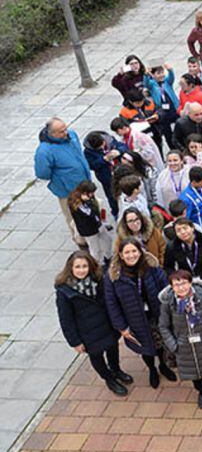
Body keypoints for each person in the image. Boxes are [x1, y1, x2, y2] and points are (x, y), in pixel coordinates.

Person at [55, 251, 131, 396]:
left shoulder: (99, 280)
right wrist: (75, 342)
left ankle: (116, 370)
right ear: (70, 268)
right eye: (77, 267)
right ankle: (109, 379)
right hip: (87, 333)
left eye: (85, 266)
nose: (81, 270)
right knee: (97, 357)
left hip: (107, 325)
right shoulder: (64, 291)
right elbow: (65, 320)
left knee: (113, 349)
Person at [104, 238, 177, 388]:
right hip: (134, 318)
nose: (131, 255)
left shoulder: (152, 268)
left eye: (134, 251)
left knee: (161, 343)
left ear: (140, 252)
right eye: (127, 252)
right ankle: (152, 369)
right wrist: (121, 327)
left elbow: (166, 289)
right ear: (121, 255)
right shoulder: (113, 276)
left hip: (156, 314)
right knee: (145, 346)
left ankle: (163, 365)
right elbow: (111, 303)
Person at [158, 269, 202, 408]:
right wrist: (174, 346)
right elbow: (164, 327)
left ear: (191, 282)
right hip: (184, 348)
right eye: (177, 284)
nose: (181, 287)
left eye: (184, 283)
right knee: (195, 375)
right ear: (171, 287)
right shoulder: (168, 305)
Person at [35, 118, 94, 247]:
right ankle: (82, 242)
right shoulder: (44, 151)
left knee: (91, 209)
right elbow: (42, 173)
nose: (66, 133)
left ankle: (93, 232)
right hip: (68, 190)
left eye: (65, 128)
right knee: (74, 217)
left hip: (85, 185)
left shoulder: (71, 135)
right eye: (61, 131)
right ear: (52, 134)